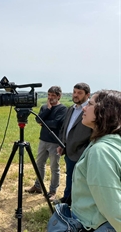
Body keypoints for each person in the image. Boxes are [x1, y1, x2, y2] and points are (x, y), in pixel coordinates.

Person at [48, 90, 121, 231]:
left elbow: (113, 208)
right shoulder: (113, 141)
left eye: (91, 104)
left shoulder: (101, 151)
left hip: (95, 225)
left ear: (105, 112)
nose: (85, 107)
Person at [25, 86, 67, 201]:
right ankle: (38, 186)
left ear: (59, 96)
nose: (50, 98)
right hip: (43, 140)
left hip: (55, 142)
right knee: (39, 164)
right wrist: (48, 110)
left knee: (54, 167)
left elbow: (56, 124)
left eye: (53, 95)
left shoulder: (63, 109)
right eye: (49, 95)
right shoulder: (44, 107)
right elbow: (38, 120)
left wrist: (45, 122)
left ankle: (52, 191)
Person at [54, 83, 92, 206]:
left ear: (88, 95)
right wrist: (62, 144)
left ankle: (79, 204)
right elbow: (65, 128)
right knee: (70, 176)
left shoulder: (92, 110)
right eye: (74, 92)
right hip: (69, 152)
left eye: (79, 93)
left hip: (83, 153)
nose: (76, 95)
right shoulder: (71, 108)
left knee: (82, 181)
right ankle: (67, 199)